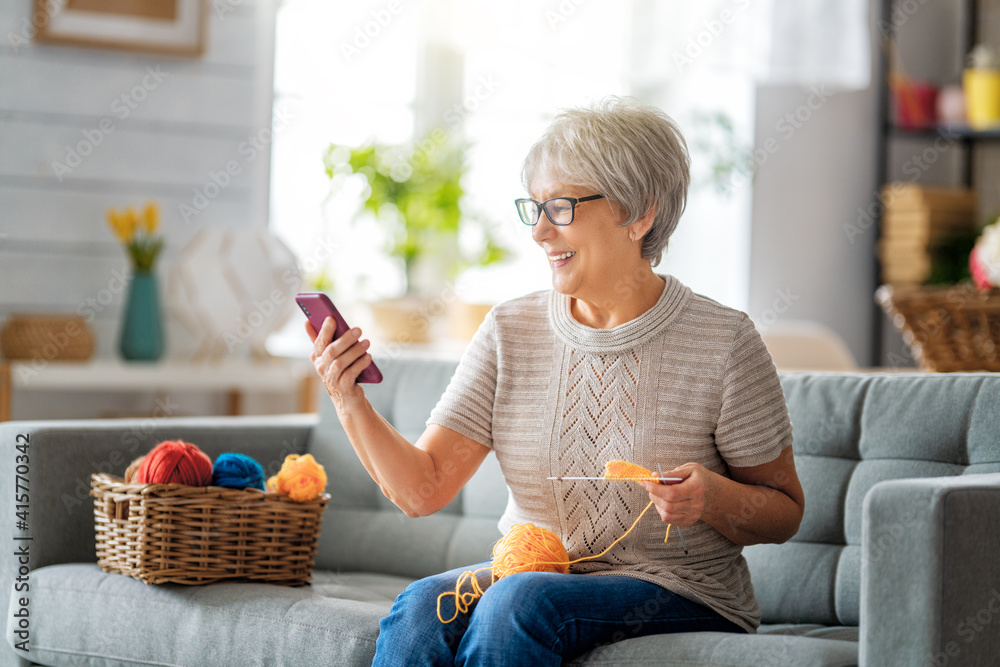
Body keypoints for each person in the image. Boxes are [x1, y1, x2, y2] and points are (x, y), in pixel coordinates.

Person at [307, 97, 805, 666]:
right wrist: (348, 400)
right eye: (534, 207)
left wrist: (711, 497)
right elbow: (423, 490)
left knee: (520, 602)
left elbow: (784, 511)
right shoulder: (509, 329)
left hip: (681, 590)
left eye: (562, 207)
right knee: (421, 607)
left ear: (639, 212)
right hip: (541, 569)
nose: (540, 232)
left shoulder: (724, 341)